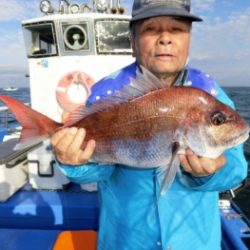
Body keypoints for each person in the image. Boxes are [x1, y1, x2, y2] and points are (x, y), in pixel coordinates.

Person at [51, 0, 248, 249]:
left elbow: (237, 168)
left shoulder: (210, 94)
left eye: (177, 29)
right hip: (127, 240)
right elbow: (98, 171)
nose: (165, 38)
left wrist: (213, 172)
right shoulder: (106, 95)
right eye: (151, 29)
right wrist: (72, 162)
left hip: (194, 241)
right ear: (133, 42)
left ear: (189, 39)